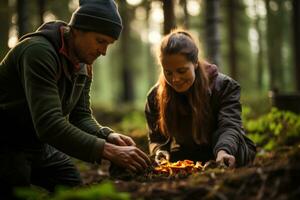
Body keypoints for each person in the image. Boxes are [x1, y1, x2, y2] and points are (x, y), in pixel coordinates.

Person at [0, 0, 150, 198]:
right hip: (6, 142)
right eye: (100, 41)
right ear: (78, 30)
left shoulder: (83, 62)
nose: (103, 51)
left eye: (109, 44)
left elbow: (80, 116)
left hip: (36, 144)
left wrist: (108, 136)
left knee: (72, 186)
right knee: (18, 189)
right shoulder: (38, 52)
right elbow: (49, 124)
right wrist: (109, 151)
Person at [145, 29, 256, 168]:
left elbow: (229, 125)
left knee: (238, 150)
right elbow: (156, 138)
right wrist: (160, 150)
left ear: (195, 63)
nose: (175, 79)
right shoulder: (154, 96)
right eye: (168, 72)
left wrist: (223, 151)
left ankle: (218, 162)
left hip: (226, 149)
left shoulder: (225, 87)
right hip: (186, 154)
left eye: (181, 71)